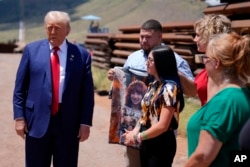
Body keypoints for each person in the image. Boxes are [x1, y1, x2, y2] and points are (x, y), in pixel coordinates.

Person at [13, 11, 95, 167]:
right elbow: (19, 89)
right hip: (36, 122)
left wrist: (85, 123)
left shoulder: (81, 55)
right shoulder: (31, 51)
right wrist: (19, 118)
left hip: (68, 124)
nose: (52, 32)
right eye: (49, 27)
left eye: (57, 28)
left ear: (67, 31)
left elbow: (87, 93)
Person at [107, 19, 193, 167]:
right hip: (136, 127)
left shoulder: (175, 62)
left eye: (148, 37)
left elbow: (192, 92)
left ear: (160, 37)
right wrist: (115, 77)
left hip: (159, 137)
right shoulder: (134, 59)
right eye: (141, 37)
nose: (143, 40)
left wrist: (172, 70)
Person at [185, 32, 250, 167]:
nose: (204, 62)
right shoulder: (243, 95)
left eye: (205, 58)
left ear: (216, 63)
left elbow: (203, 156)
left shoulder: (224, 102)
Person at [123, 45, 184, 166]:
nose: (146, 63)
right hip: (147, 139)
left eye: (150, 60)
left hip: (161, 143)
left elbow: (163, 125)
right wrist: (134, 132)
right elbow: (145, 115)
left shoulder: (170, 89)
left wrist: (137, 137)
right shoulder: (154, 86)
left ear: (161, 63)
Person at [179, 14, 232, 106]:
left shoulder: (220, 66)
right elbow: (193, 91)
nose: (195, 39)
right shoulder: (209, 65)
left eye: (198, 35)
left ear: (209, 35)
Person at [119, 80, 147, 146]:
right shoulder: (124, 108)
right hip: (123, 141)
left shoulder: (145, 111)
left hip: (137, 144)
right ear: (129, 94)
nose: (135, 96)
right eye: (133, 93)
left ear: (143, 96)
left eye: (139, 94)